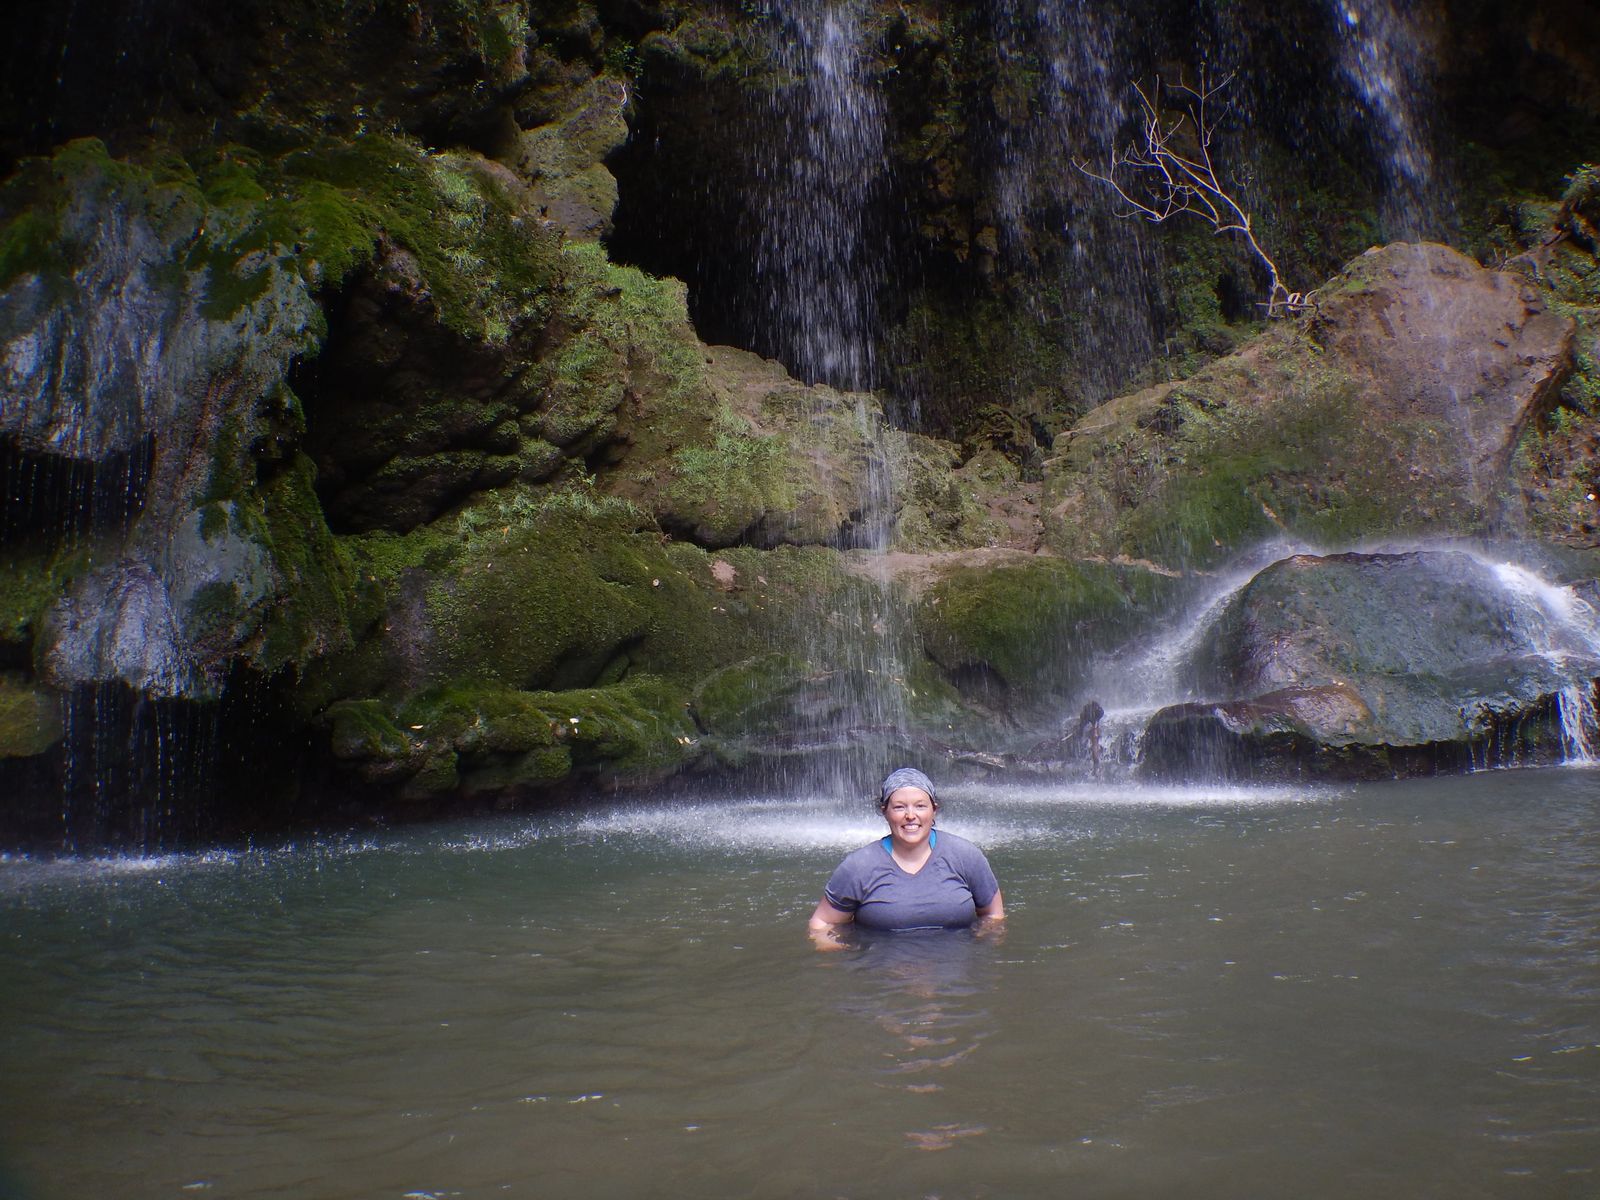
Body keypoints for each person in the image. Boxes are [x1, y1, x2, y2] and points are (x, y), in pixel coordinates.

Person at [808, 767, 1005, 949]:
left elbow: (993, 915)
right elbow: (821, 924)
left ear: (933, 810)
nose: (910, 815)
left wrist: (981, 945)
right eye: (900, 807)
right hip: (884, 978)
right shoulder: (859, 866)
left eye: (920, 806)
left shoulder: (965, 856)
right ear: (885, 811)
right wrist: (846, 957)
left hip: (956, 979)